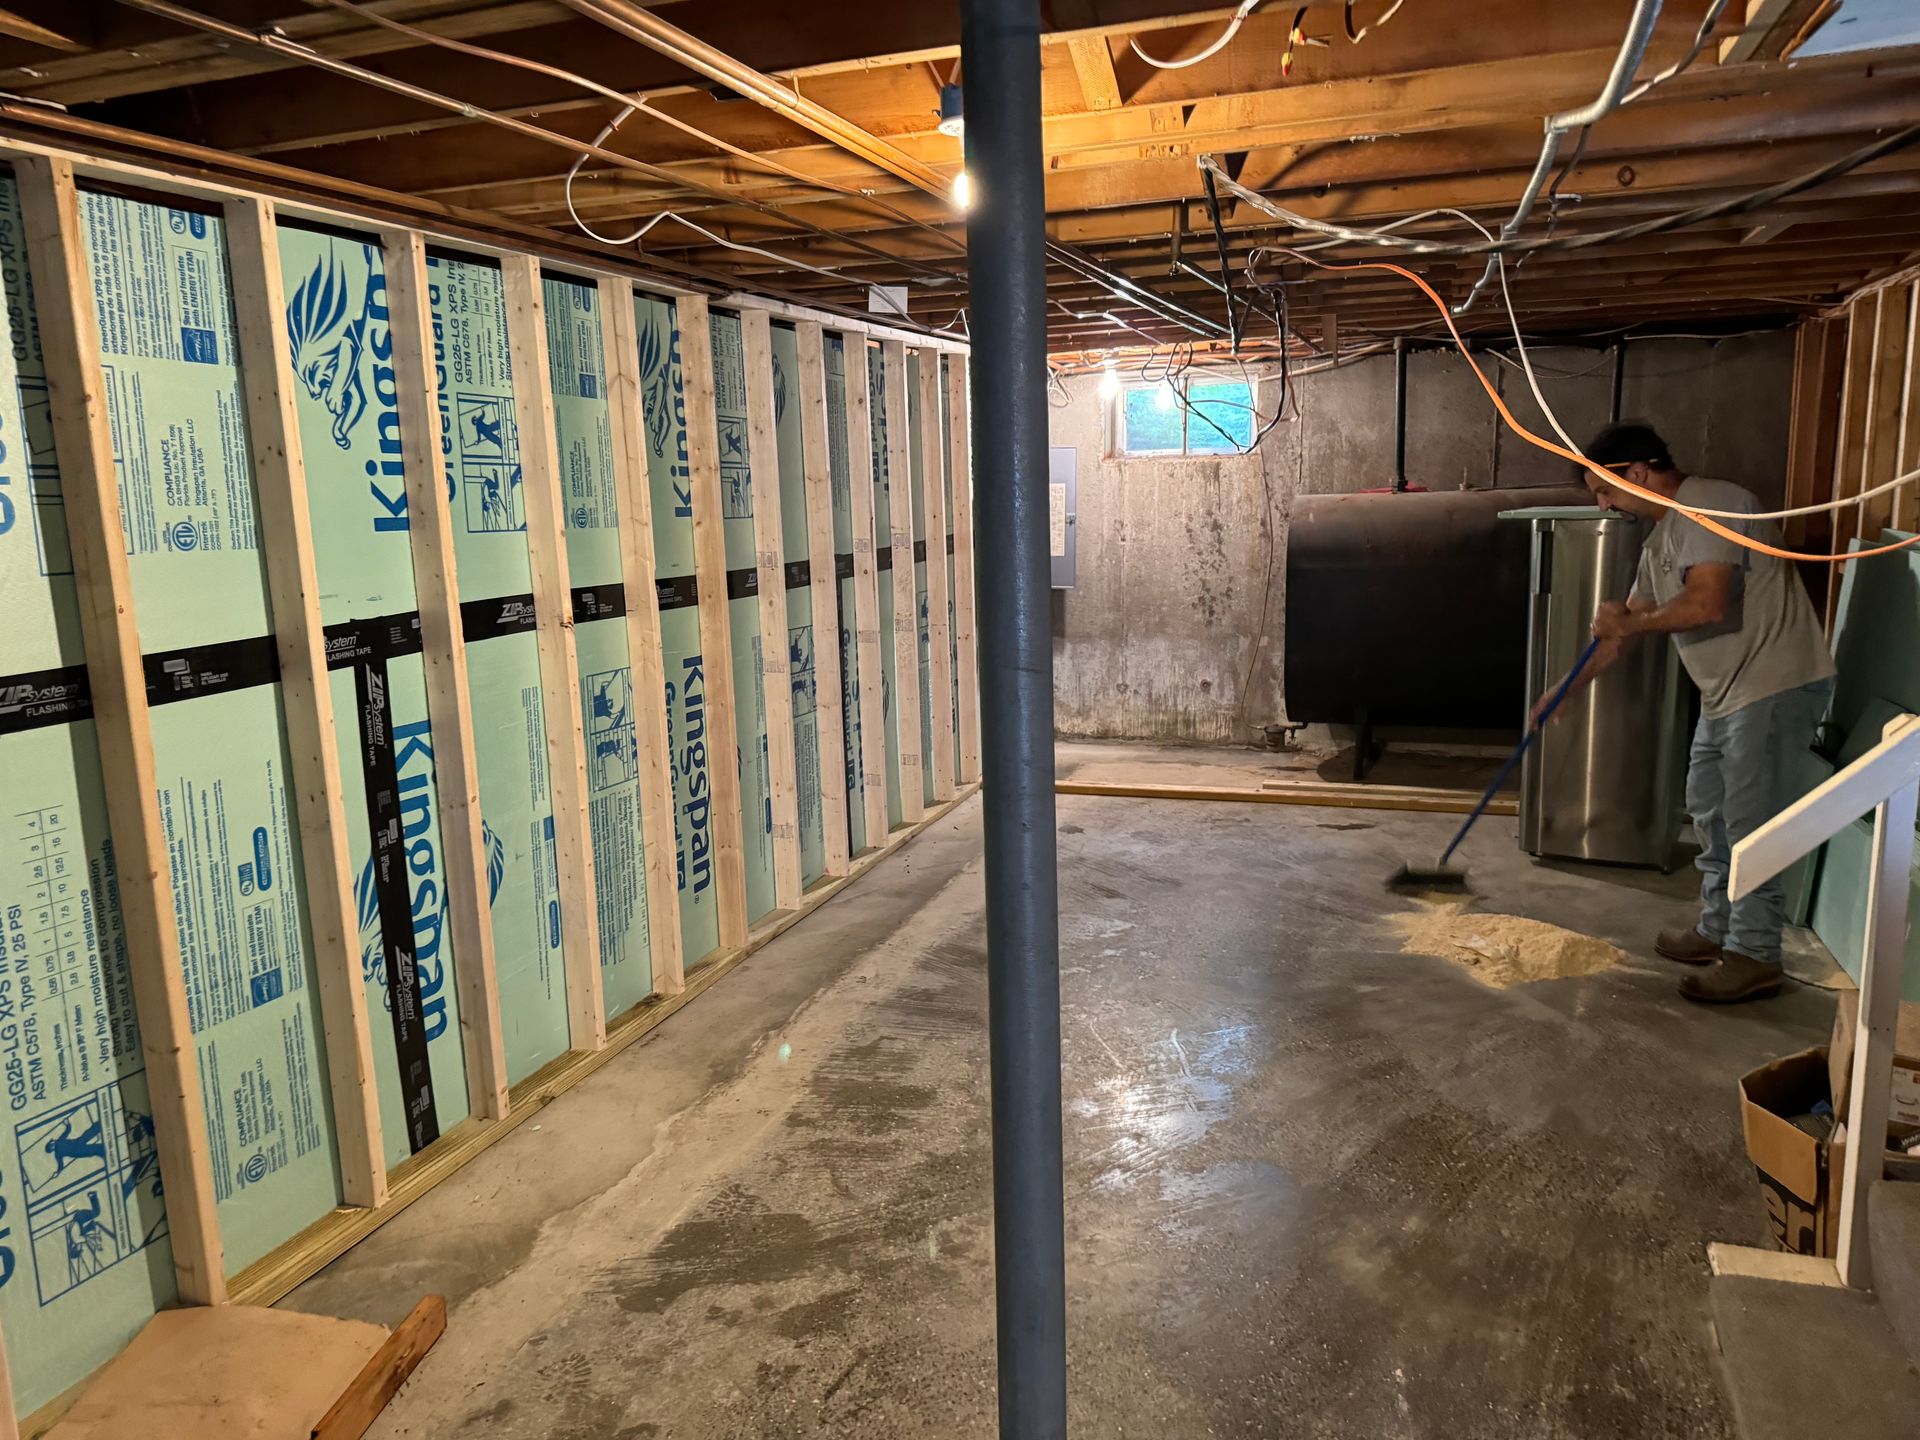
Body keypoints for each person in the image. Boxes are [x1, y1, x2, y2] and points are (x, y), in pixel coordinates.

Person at [1547, 422, 1835, 1004]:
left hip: (1771, 685)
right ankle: (1718, 928)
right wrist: (1564, 689)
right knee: (1709, 809)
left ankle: (1755, 955)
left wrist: (1631, 621)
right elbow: (1620, 635)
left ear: (1637, 472)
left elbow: (1706, 603)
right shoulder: (1661, 541)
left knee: (1752, 823)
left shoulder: (1711, 503)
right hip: (1726, 693)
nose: (1604, 506)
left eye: (1604, 490)